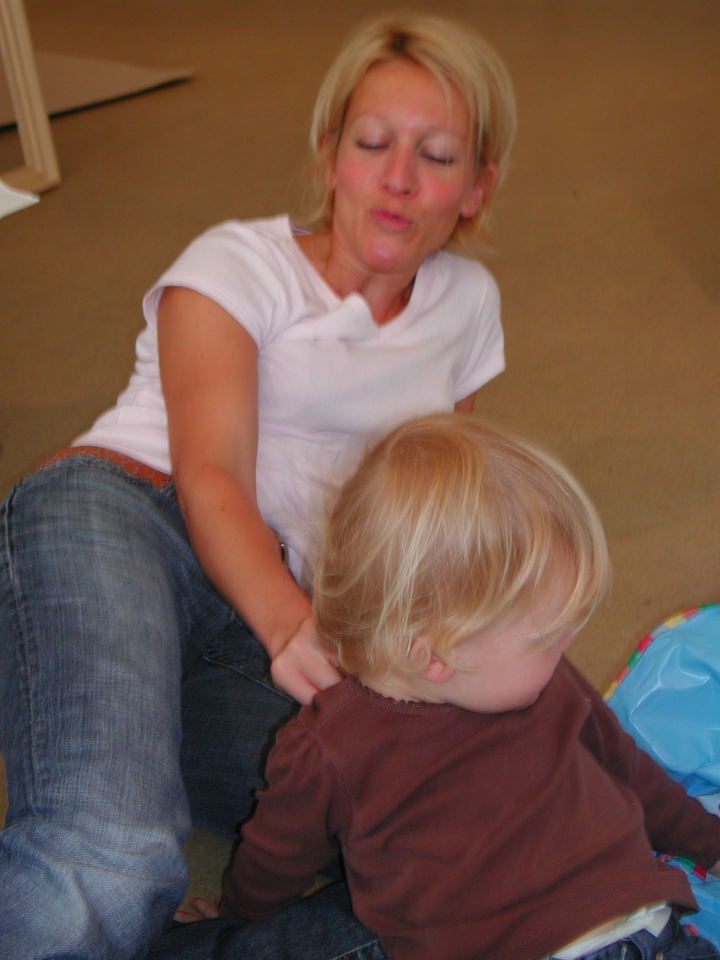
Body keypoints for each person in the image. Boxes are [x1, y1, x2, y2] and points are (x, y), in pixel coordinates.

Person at [0, 12, 517, 960]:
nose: (399, 178)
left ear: (478, 187)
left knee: (433, 837)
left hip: (275, 612)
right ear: (330, 156)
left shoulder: (469, 306)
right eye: (372, 144)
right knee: (111, 859)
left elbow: (429, 512)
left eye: (438, 155)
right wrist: (290, 628)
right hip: (128, 522)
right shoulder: (236, 264)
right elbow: (211, 478)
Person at [210, 412, 720, 960]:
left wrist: (236, 917)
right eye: (549, 637)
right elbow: (631, 772)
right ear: (438, 656)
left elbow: (275, 860)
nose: (568, 645)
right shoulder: (329, 747)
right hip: (652, 932)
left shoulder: (326, 743)